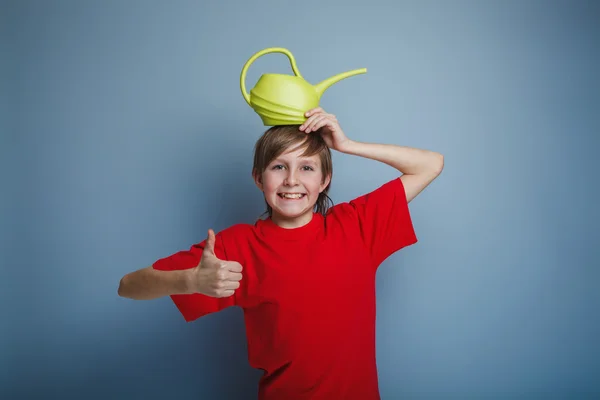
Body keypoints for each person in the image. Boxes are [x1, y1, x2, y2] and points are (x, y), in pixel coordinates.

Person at [118, 107, 444, 399]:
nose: (291, 180)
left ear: (325, 179)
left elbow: (430, 164)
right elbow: (128, 285)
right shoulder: (237, 247)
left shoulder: (357, 225)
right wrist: (190, 280)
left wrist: (347, 145)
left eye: (306, 167)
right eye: (278, 166)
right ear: (259, 179)